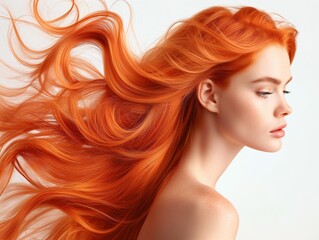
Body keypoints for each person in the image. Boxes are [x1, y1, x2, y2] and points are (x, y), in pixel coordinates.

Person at [0, 1, 297, 239]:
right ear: (210, 95)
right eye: (265, 91)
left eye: (284, 89)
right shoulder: (210, 213)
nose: (285, 108)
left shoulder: (164, 193)